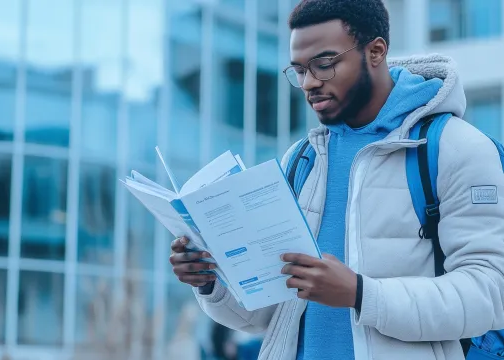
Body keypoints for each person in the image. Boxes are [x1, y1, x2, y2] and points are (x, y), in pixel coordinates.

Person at [169, 0, 504, 359]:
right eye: (298, 70)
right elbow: (269, 314)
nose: (309, 83)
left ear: (376, 51)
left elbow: (490, 294)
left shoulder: (455, 148)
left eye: (324, 65)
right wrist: (211, 283)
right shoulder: (302, 160)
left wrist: (361, 294)